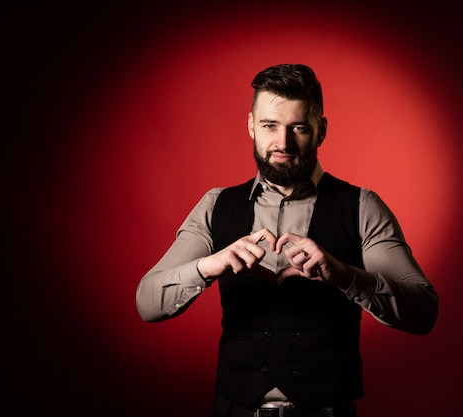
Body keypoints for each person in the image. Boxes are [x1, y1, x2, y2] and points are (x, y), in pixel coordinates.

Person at [136, 63, 439, 417]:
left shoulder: (361, 207)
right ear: (251, 125)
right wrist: (208, 265)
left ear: (321, 130)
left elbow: (424, 312)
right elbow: (147, 303)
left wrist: (345, 276)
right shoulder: (215, 206)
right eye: (269, 126)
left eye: (298, 127)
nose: (283, 143)